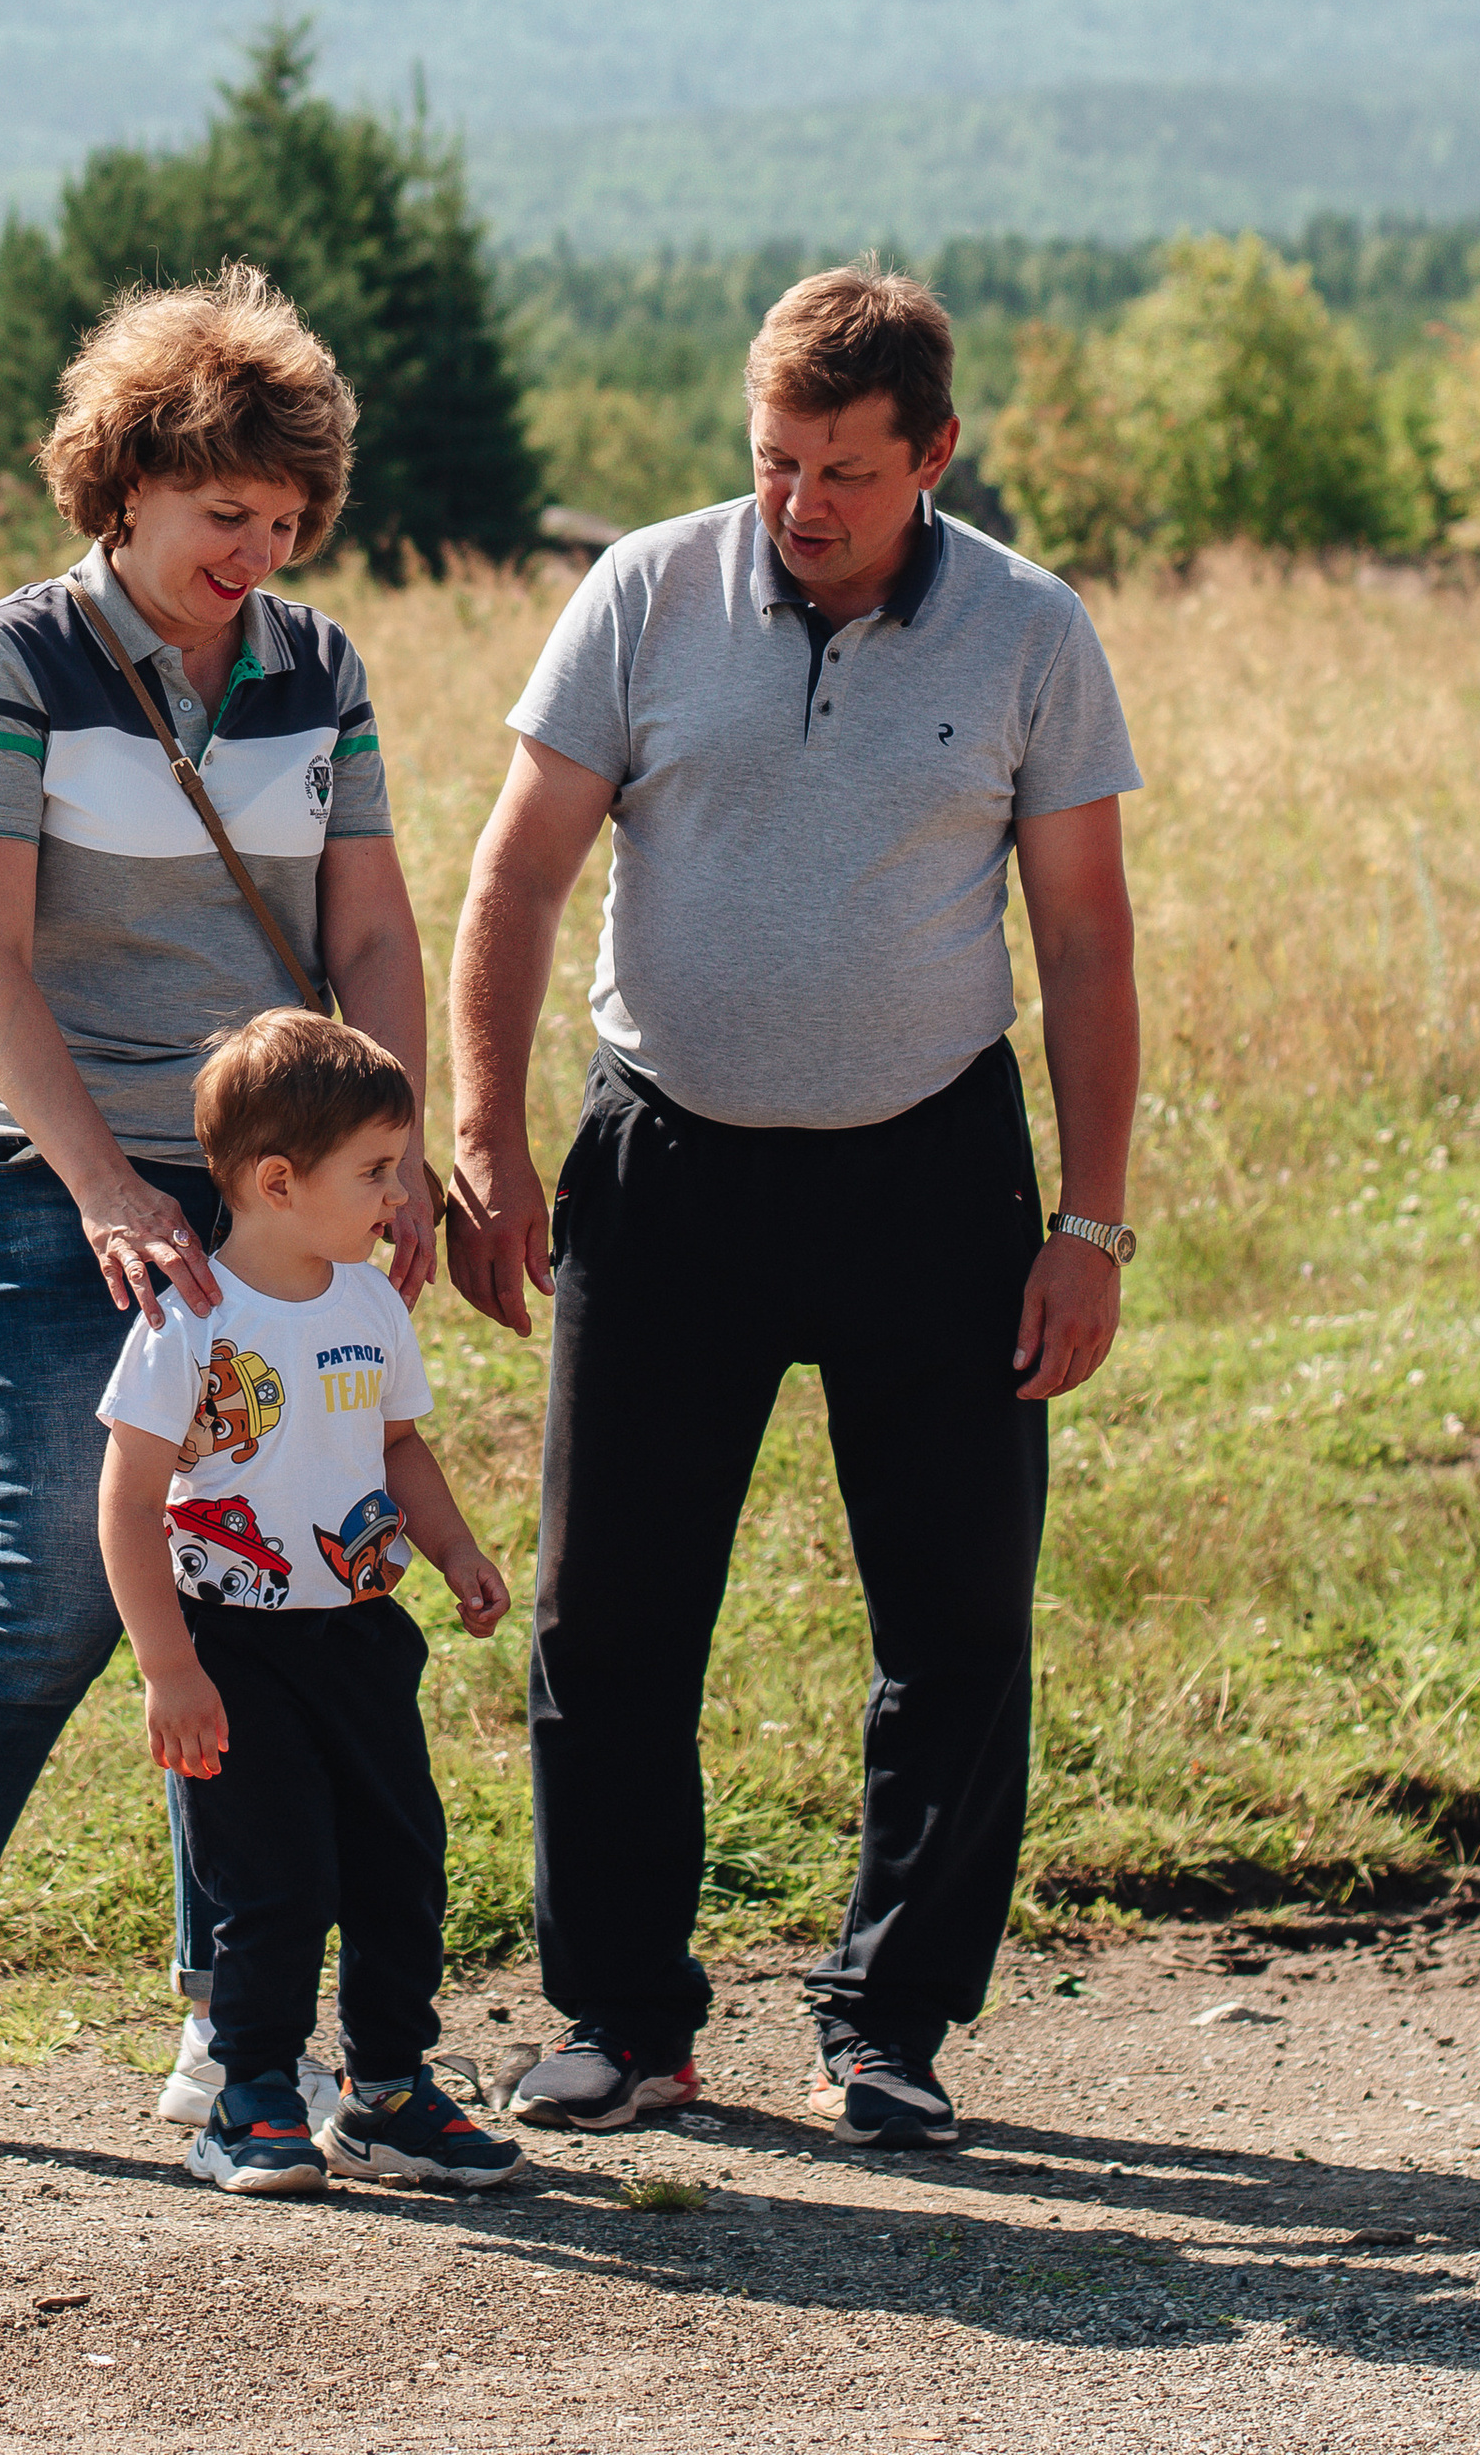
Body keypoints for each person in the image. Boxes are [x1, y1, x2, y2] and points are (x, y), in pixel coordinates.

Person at [448, 262, 1141, 2153]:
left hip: (937, 1176)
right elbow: (512, 879)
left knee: (956, 1620)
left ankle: (891, 2023)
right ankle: (620, 2019)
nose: (802, 505)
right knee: (610, 1620)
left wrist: (1091, 1225)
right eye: (774, 461)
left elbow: (1082, 939)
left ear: (933, 454)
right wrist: (491, 1136)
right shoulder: (648, 593)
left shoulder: (1028, 631)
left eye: (844, 470)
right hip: (665, 1164)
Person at [0, 267, 438, 2149]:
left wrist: (389, 1160)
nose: (260, 549)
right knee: (63, 1593)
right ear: (126, 482)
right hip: (57, 1177)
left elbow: (373, 924)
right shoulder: (18, 663)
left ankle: (233, 2036)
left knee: (258, 1603)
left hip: (282, 1186)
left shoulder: (320, 670)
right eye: (225, 512)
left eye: (288, 520)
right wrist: (103, 1191)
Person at [98, 1007, 522, 2197]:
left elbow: (397, 1448)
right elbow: (127, 1508)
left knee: (401, 1864)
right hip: (234, 1650)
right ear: (279, 1182)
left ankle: (388, 2095)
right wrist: (168, 1669)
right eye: (376, 1172)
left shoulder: (370, 1304)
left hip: (361, 1638)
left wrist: (452, 1551)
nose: (400, 1195)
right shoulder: (188, 1324)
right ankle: (253, 2100)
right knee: (272, 1882)